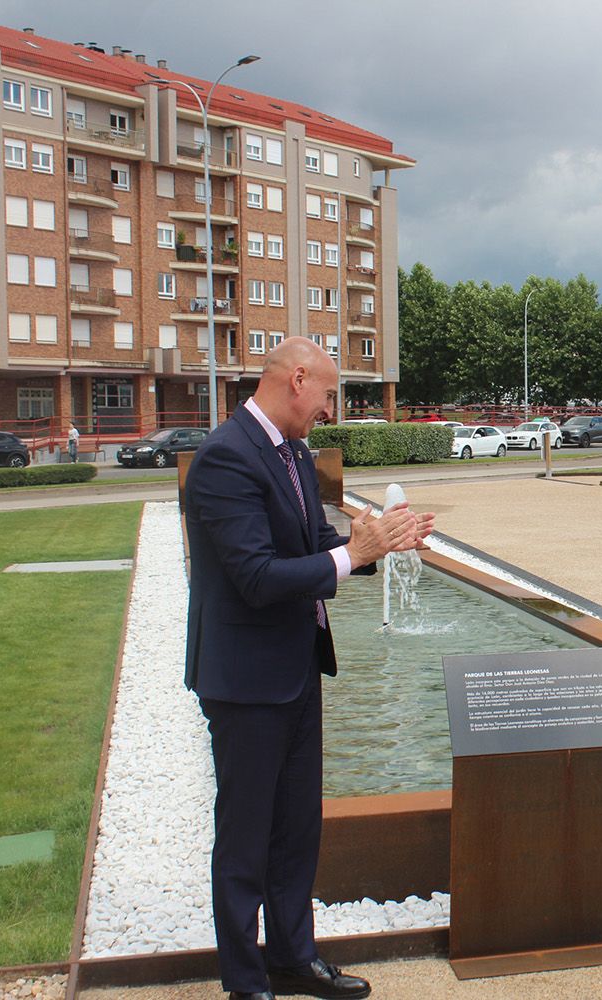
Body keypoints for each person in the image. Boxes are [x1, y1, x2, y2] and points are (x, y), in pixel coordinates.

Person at [184, 338, 433, 1000]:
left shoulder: (290, 451)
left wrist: (384, 544)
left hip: (294, 670)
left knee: (297, 829)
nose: (329, 410)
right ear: (297, 380)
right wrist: (356, 554)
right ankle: (246, 982)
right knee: (245, 840)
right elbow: (259, 577)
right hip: (243, 682)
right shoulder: (224, 458)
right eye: (327, 396)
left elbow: (317, 543)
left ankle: (294, 959)